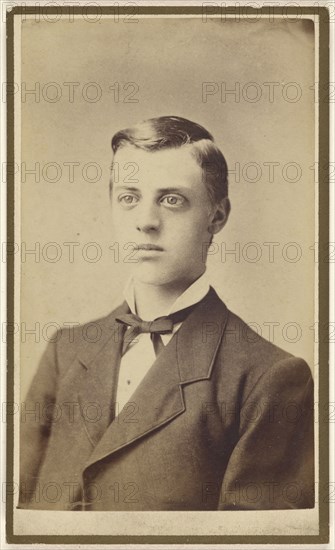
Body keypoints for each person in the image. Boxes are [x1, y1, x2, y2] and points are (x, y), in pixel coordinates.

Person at [19, 116, 314, 511]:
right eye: (129, 197)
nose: (145, 222)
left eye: (171, 199)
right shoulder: (66, 351)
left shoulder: (268, 378)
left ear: (217, 217)